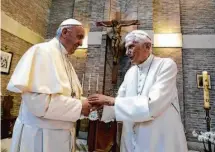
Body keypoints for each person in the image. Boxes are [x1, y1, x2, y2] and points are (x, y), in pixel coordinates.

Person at [88, 30, 188, 152]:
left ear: (147, 46)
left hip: (159, 139)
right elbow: (120, 103)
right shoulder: (130, 72)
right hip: (131, 138)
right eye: (126, 48)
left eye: (131, 46)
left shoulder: (166, 65)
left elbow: (153, 105)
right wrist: (103, 108)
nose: (126, 52)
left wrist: (111, 101)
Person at [7, 19, 92, 152]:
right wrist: (80, 106)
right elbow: (38, 102)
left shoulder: (66, 61)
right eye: (79, 37)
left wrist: (87, 103)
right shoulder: (42, 51)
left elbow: (69, 96)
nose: (81, 43)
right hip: (39, 137)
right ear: (65, 32)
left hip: (62, 136)